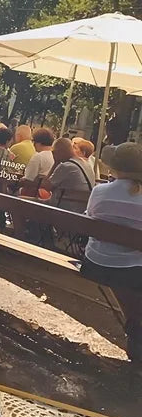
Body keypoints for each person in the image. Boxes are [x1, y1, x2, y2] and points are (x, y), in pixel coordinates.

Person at [80, 142, 142, 367]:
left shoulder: (100, 191)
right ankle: (136, 329)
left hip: (96, 263)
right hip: (132, 272)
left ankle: (135, 327)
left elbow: (90, 218)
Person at [40, 137, 95, 212]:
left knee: (21, 200)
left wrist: (55, 163)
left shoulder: (66, 166)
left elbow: (46, 187)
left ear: (60, 152)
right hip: (81, 210)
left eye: (54, 152)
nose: (53, 154)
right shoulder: (86, 164)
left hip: (61, 209)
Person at [18, 127, 55, 197]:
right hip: (48, 195)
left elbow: (28, 179)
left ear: (37, 142)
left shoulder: (38, 157)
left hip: (34, 194)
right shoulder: (54, 156)